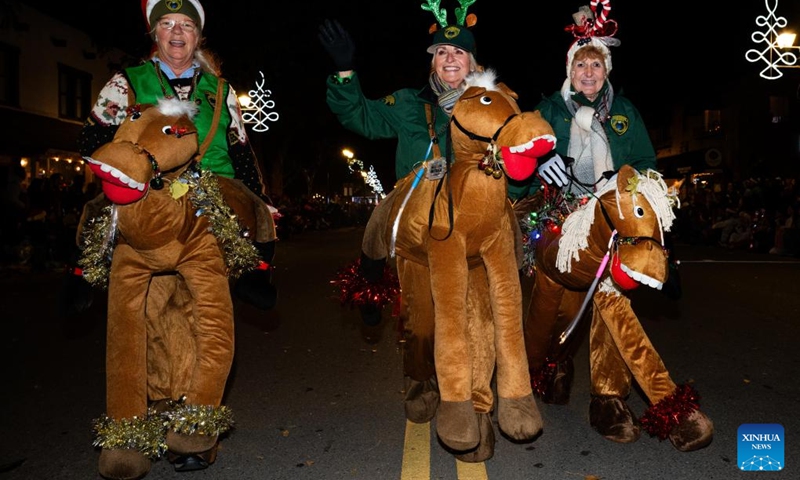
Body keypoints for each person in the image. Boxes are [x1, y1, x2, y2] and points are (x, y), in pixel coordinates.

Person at [320, 9, 530, 424]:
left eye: (459, 52)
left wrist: (517, 184)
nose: (449, 58)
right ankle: (418, 376)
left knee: (480, 319)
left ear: (475, 64)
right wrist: (345, 71)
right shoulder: (408, 104)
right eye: (441, 52)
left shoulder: (498, 102)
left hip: (475, 231)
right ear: (431, 62)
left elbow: (519, 160)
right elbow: (360, 115)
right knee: (421, 322)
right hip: (420, 232)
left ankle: (475, 402)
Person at [522, 4, 715, 450]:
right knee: (562, 309)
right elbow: (519, 159)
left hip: (612, 222)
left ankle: (608, 399)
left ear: (605, 69)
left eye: (595, 63)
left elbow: (647, 165)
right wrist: (539, 159)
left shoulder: (624, 109)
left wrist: (624, 176)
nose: (588, 71)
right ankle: (555, 365)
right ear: (568, 68)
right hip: (558, 222)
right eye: (580, 63)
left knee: (610, 291)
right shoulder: (548, 108)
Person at [73, 0, 277, 311]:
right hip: (148, 189)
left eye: (187, 25)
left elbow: (240, 149)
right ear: (155, 34)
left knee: (263, 217)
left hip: (216, 185)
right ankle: (80, 274)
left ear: (198, 37)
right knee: (95, 212)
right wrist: (132, 168)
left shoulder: (222, 89)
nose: (177, 31)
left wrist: (259, 195)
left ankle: (254, 275)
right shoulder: (126, 81)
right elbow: (91, 140)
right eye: (167, 23)